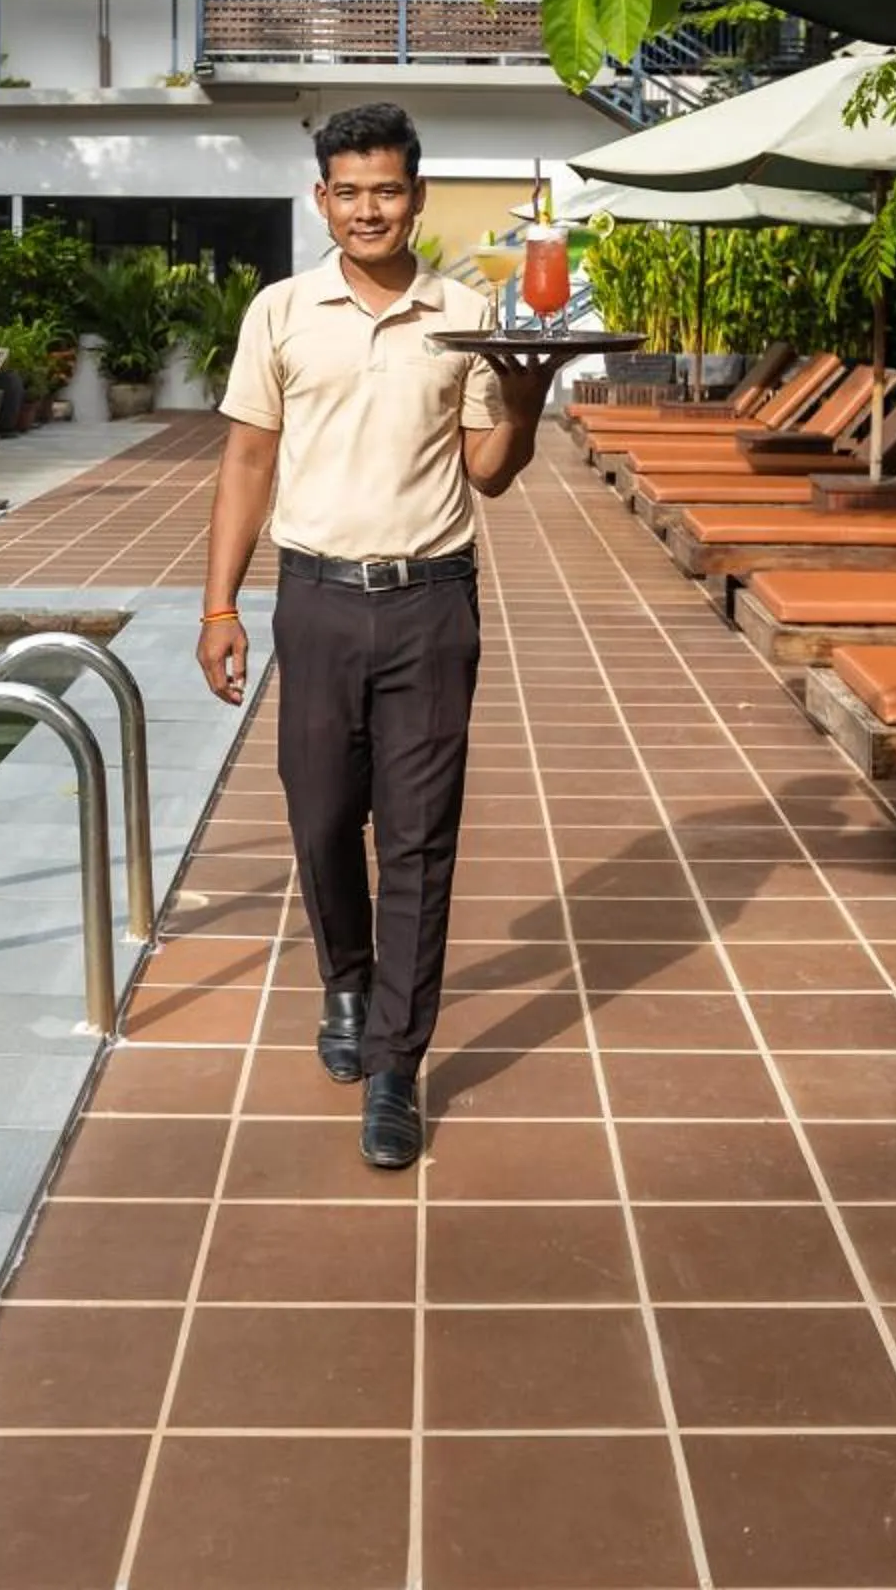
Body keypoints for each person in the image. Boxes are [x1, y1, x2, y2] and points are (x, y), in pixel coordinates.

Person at [198, 102, 559, 1169]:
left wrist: (528, 409)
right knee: (318, 819)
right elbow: (248, 463)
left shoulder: (466, 311)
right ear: (322, 199)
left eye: (387, 189)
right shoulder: (280, 312)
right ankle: (346, 978)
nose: (369, 208)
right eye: (349, 190)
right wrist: (219, 604)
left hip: (430, 601)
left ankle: (398, 1059)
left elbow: (488, 471)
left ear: (418, 195)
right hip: (313, 596)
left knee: (418, 833)